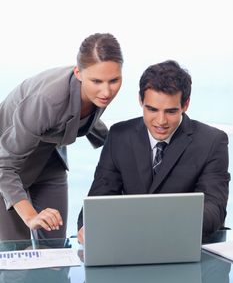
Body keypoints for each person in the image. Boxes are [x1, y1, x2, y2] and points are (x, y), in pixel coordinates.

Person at [77, 60, 230, 243]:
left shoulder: (212, 141)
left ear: (186, 104)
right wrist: (89, 225)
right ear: (141, 101)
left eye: (171, 111)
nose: (160, 121)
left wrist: (152, 223)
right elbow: (98, 199)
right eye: (152, 109)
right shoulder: (119, 136)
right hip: (131, 246)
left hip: (186, 245)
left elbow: (214, 210)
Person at [0, 32, 123, 240]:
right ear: (78, 73)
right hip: (7, 167)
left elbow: (79, 118)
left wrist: (119, 143)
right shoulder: (46, 101)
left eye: (114, 80)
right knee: (18, 256)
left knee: (56, 250)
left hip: (49, 161)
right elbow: (4, 165)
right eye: (97, 81)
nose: (106, 91)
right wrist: (31, 217)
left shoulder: (97, 92)